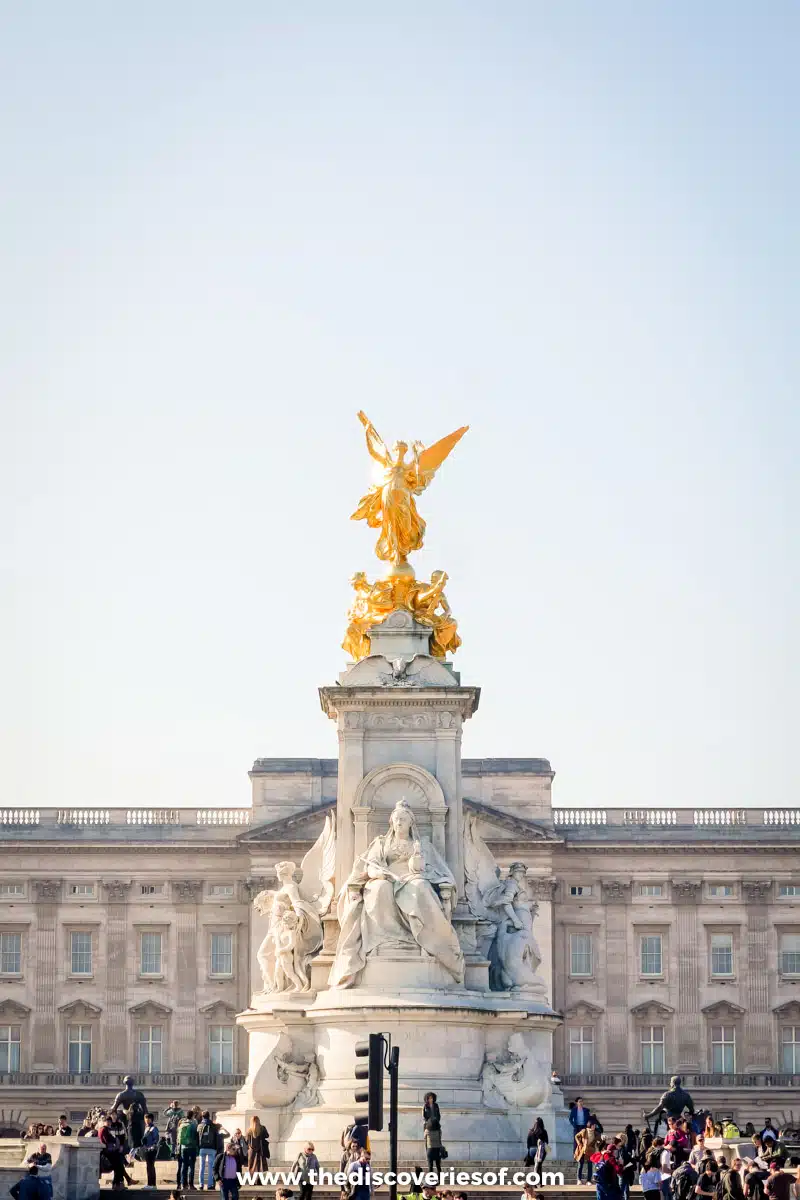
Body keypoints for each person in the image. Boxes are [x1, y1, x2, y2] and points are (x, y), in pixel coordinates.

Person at [111, 1076, 148, 1150]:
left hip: (126, 1117)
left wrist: (114, 1119)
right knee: (137, 1134)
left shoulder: (121, 1094)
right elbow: (145, 1110)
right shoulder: (139, 1094)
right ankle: (137, 1148)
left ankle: (129, 1148)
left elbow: (113, 1108)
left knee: (127, 1134)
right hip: (136, 1118)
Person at [198, 1111, 221, 1189]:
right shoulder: (214, 1126)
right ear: (209, 1116)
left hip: (202, 1148)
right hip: (212, 1149)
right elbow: (217, 1137)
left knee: (202, 1167)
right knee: (211, 1167)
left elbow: (197, 1137)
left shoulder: (200, 1126)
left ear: (202, 1116)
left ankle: (201, 1184)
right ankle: (210, 1185)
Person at [177, 1110, 199, 1189]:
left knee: (184, 1166)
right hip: (192, 1147)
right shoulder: (194, 1125)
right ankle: (191, 1184)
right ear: (192, 1116)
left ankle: (184, 1184)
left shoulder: (182, 1125)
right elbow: (197, 1137)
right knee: (192, 1166)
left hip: (183, 1147)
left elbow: (178, 1137)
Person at [141, 1113, 160, 1190]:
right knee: (149, 1167)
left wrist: (153, 1146)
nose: (146, 1120)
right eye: (145, 1118)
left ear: (152, 1119)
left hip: (151, 1150)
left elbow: (156, 1139)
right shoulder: (146, 1128)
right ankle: (151, 1184)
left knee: (150, 1167)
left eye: (148, 1118)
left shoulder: (154, 1128)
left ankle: (151, 1184)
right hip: (146, 1149)